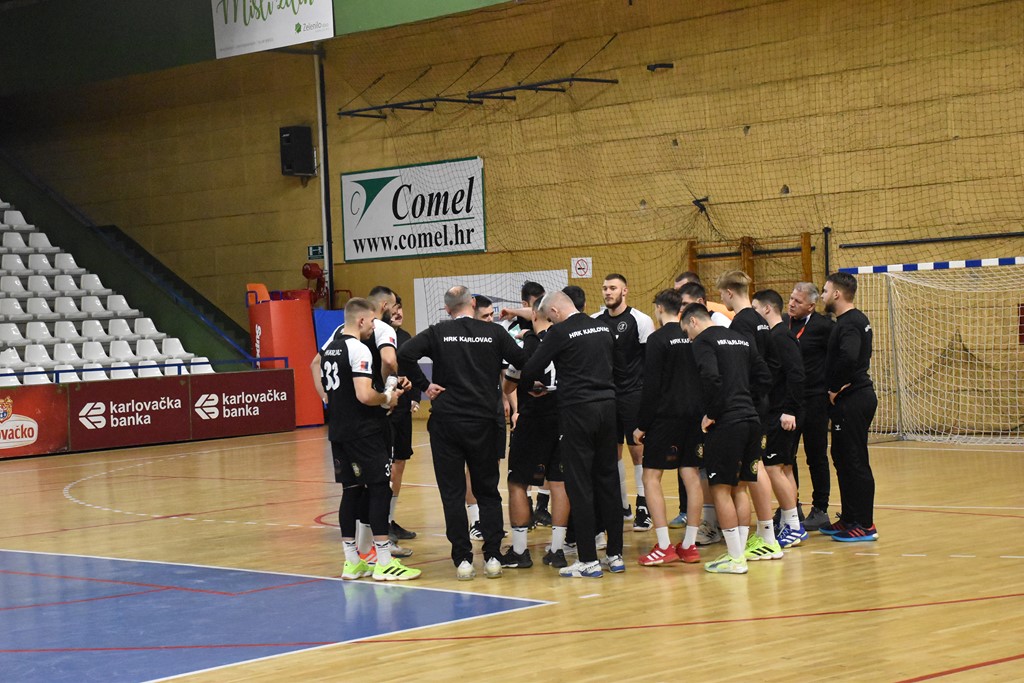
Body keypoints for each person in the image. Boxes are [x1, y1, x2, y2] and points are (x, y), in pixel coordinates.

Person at [398, 286, 527, 580]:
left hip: (447, 423)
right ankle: (493, 557)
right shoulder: (494, 333)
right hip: (484, 423)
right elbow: (523, 361)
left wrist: (424, 385)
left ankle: (463, 560)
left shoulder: (439, 332)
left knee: (453, 493)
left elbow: (405, 353)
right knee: (488, 491)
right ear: (473, 303)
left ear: (447, 309)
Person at [313, 298, 419, 581]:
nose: (374, 327)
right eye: (372, 321)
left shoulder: (330, 347)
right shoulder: (358, 348)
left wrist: (329, 399)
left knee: (351, 491)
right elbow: (364, 394)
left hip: (339, 431)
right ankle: (384, 562)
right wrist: (387, 397)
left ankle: (352, 562)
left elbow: (317, 369)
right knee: (379, 489)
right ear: (361, 320)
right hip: (364, 431)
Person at [520, 290, 625, 578]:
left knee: (579, 485)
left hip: (578, 412)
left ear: (555, 311)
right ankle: (615, 555)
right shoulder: (602, 327)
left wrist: (531, 387)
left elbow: (531, 368)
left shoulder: (560, 332)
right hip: (608, 408)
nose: (550, 321)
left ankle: (588, 560)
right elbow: (617, 367)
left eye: (549, 317)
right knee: (608, 482)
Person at [681, 303, 771, 574]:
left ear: (693, 322)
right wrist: (747, 402)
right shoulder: (741, 338)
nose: (689, 339)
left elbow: (710, 377)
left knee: (720, 489)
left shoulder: (703, 341)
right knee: (740, 487)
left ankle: (735, 558)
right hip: (751, 420)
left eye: (687, 332)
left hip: (727, 424)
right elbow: (764, 377)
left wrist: (712, 413)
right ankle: (738, 553)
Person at [632, 289, 704, 566]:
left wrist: (642, 425)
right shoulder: (693, 335)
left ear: (660, 308)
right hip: (695, 417)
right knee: (691, 476)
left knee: (651, 477)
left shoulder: (657, 338)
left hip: (666, 418)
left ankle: (663, 546)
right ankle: (689, 545)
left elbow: (651, 386)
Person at [716, 271, 781, 562]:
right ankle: (765, 534)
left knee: (755, 469)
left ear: (730, 292)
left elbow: (745, 366)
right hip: (761, 401)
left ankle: (766, 535)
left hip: (750, 404)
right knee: (757, 466)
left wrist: (747, 397)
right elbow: (771, 363)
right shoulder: (759, 319)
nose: (721, 299)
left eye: (721, 294)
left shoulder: (741, 323)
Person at [500, 298, 569, 569]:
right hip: (563, 420)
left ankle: (519, 551)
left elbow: (508, 387)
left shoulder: (528, 346)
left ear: (535, 315)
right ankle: (557, 550)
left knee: (517, 482)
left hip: (533, 421)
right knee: (559, 483)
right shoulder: (565, 340)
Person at [592, 273, 656, 530]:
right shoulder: (596, 321)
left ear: (625, 291)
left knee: (637, 450)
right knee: (611, 452)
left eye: (613, 288)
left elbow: (651, 363)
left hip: (634, 395)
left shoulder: (640, 320)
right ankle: (621, 505)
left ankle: (643, 506)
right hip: (607, 396)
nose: (608, 292)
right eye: (605, 288)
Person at [819, 272, 879, 542]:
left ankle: (865, 524)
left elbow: (849, 356)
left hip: (854, 399)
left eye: (824, 290)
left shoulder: (851, 322)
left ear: (836, 294)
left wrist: (835, 386)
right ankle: (850, 517)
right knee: (842, 457)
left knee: (855, 460)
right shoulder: (850, 321)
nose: (822, 295)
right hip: (850, 398)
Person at [751, 289, 807, 548]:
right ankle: (790, 521)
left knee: (773, 468)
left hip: (783, 412)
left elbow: (797, 373)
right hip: (780, 410)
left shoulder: (780, 336)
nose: (753, 314)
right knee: (784, 468)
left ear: (766, 309)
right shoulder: (776, 335)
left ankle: (794, 526)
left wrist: (790, 410)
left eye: (755, 309)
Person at [787, 282, 835, 531]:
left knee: (816, 456)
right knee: (787, 456)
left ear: (811, 306)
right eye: (791, 299)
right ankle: (791, 505)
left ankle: (820, 509)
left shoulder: (824, 327)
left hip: (815, 400)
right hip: (790, 402)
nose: (792, 304)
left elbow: (838, 355)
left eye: (798, 301)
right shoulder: (784, 323)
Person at [388, 296, 419, 542]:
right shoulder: (376, 337)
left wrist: (415, 397)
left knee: (400, 462)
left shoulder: (406, 337)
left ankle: (389, 519)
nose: (399, 313)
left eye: (401, 308)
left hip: (403, 410)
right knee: (385, 466)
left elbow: (412, 370)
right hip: (384, 410)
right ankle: (376, 522)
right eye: (394, 309)